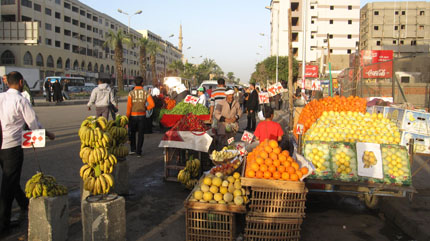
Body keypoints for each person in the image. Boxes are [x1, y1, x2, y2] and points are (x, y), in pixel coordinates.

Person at [0, 71, 55, 234]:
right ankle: (3, 225)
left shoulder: (0, 97)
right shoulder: (20, 100)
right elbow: (33, 125)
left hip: (0, 144)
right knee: (8, 185)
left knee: (11, 178)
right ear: (21, 82)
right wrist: (47, 134)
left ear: (7, 83)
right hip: (12, 147)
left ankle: (24, 203)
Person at [126, 76, 155, 157]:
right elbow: (152, 104)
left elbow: (129, 107)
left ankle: (133, 149)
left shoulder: (131, 93)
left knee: (132, 133)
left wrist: (127, 117)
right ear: (142, 83)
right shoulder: (146, 93)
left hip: (133, 116)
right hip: (142, 116)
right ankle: (139, 152)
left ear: (134, 83)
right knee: (141, 134)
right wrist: (145, 108)